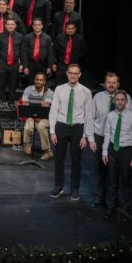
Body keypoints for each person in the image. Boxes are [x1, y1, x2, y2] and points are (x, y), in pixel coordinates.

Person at [49, 64, 95, 201]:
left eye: (76, 73)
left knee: (76, 161)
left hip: (77, 128)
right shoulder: (59, 89)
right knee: (59, 159)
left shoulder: (86, 91)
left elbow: (88, 115)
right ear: (67, 74)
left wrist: (85, 136)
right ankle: (59, 186)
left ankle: (75, 189)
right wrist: (52, 131)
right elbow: (53, 111)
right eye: (71, 73)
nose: (73, 75)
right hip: (61, 126)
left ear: (80, 74)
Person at [91, 73, 132, 208]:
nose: (111, 85)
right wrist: (91, 138)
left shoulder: (125, 98)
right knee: (101, 170)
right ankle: (100, 199)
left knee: (117, 172)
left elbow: (130, 119)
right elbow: (90, 118)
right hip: (100, 136)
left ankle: (116, 201)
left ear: (118, 84)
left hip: (117, 140)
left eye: (114, 82)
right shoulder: (97, 97)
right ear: (105, 83)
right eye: (109, 82)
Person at [101, 91, 132, 219]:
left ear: (126, 101)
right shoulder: (110, 116)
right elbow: (107, 135)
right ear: (114, 101)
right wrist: (105, 151)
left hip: (126, 151)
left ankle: (125, 210)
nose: (119, 102)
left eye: (122, 99)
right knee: (111, 182)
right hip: (113, 150)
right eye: (117, 99)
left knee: (126, 182)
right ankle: (110, 208)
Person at [20, 73, 55, 160]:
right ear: (34, 80)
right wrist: (40, 103)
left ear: (44, 82)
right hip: (32, 116)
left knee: (41, 126)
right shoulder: (28, 89)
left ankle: (48, 151)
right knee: (28, 125)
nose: (38, 81)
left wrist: (32, 103)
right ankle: (27, 144)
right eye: (37, 79)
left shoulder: (49, 92)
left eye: (41, 80)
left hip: (45, 118)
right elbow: (25, 104)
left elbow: (46, 105)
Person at [0, 18, 23, 103]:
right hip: (2, 63)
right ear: (5, 26)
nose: (10, 26)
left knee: (13, 84)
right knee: (1, 84)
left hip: (15, 63)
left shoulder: (20, 36)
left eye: (12, 24)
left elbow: (22, 51)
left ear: (15, 26)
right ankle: (2, 102)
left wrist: (22, 64)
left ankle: (11, 102)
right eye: (8, 24)